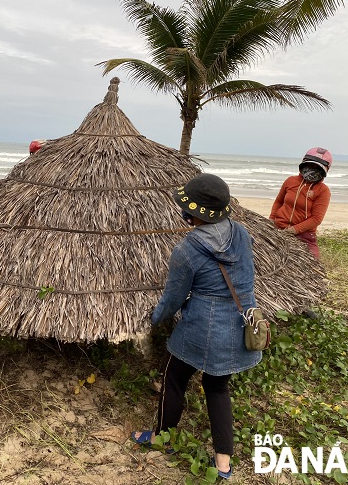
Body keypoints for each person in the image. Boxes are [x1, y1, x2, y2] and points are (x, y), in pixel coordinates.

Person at [131, 174, 261, 480]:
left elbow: (173, 299)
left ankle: (161, 438)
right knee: (217, 388)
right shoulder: (241, 233)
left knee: (174, 377)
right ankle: (224, 466)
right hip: (238, 324)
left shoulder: (187, 250)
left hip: (202, 327)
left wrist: (151, 320)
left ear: (193, 213)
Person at [269, 147, 333, 259]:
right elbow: (278, 202)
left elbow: (316, 219)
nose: (312, 169)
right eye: (310, 165)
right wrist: (271, 220)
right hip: (278, 227)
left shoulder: (323, 190)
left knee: (313, 264)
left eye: (317, 167)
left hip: (304, 235)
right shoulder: (290, 181)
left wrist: (293, 230)